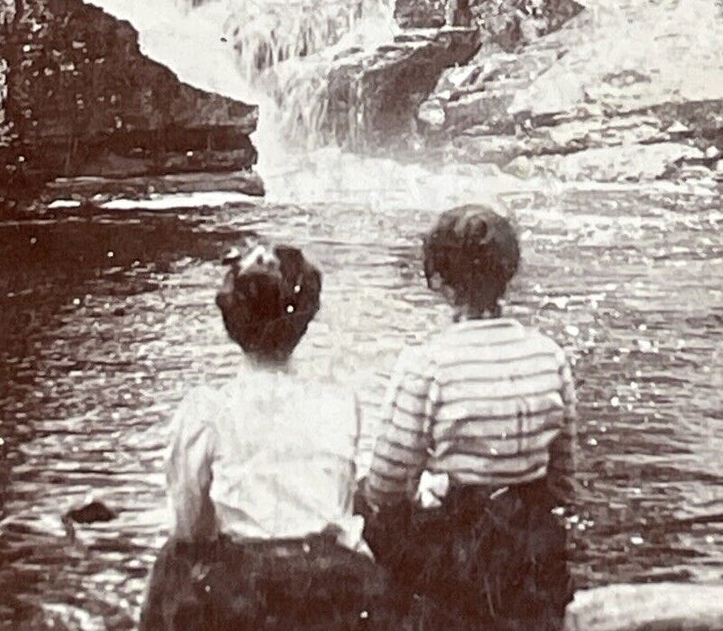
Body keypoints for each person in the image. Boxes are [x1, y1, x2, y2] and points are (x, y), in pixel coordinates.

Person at [140, 242, 394, 631]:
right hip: (334, 581)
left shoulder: (208, 409)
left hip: (247, 587)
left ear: (232, 323)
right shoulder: (339, 400)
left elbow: (191, 525)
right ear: (303, 323)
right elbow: (339, 504)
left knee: (172, 560)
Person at [362, 205, 577, 631]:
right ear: (508, 273)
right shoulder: (549, 354)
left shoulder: (427, 364)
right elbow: (563, 477)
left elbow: (385, 487)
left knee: (362, 505)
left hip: (458, 554)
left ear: (440, 282)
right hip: (533, 549)